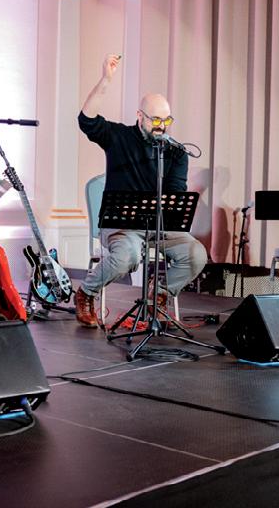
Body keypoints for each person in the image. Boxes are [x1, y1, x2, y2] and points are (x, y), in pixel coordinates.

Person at [73, 54, 208, 328]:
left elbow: (175, 193)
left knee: (196, 254)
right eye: (155, 120)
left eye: (166, 120)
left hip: (159, 226)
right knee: (128, 256)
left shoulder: (176, 152)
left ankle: (158, 296)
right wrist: (105, 80)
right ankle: (86, 292)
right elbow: (87, 121)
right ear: (140, 116)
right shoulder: (119, 137)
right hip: (122, 226)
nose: (161, 126)